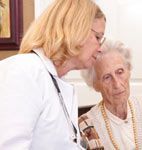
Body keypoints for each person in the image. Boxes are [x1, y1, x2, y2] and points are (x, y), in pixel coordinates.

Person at [0, 0, 105, 149]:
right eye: (98, 37)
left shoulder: (56, 81)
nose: (100, 48)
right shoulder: (23, 72)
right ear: (76, 29)